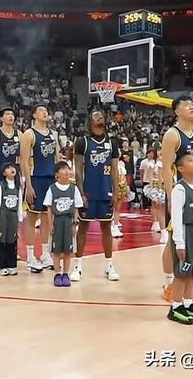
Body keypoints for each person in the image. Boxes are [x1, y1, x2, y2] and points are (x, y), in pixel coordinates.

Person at [160, 95, 193, 302]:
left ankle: (187, 284)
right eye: (187, 105)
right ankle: (169, 283)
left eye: (192, 105)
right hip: (179, 192)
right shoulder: (172, 135)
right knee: (174, 239)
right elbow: (166, 168)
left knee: (192, 238)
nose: (191, 107)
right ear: (176, 112)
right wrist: (171, 197)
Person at [72, 109, 120, 282]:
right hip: (88, 192)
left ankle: (109, 265)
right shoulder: (82, 142)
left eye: (101, 114)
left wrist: (116, 192)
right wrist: (80, 193)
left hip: (106, 191)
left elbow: (114, 170)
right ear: (90, 121)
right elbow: (78, 169)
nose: (100, 116)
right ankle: (78, 265)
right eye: (96, 115)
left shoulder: (112, 143)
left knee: (106, 228)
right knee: (83, 228)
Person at [167, 153, 193, 325]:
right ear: (181, 169)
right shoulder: (179, 189)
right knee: (182, 272)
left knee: (191, 272)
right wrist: (179, 243)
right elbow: (176, 217)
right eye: (190, 161)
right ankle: (176, 307)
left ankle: (188, 303)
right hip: (185, 232)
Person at [21, 104, 59, 273]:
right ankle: (30, 256)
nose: (45, 112)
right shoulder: (29, 134)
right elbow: (24, 161)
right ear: (34, 115)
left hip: (51, 179)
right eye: (41, 110)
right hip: (36, 179)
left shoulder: (53, 134)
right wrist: (28, 185)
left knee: (46, 218)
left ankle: (44, 254)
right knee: (31, 217)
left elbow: (57, 158)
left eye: (46, 110)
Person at [0, 107, 21, 253]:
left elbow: (22, 158)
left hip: (14, 175)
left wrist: (22, 177)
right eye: (7, 114)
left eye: (12, 114)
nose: (10, 116)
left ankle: (11, 243)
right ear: (1, 118)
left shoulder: (19, 134)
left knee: (13, 208)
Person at [45, 161, 83, 286]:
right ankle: (57, 274)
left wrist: (75, 224)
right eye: (63, 169)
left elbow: (76, 208)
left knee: (68, 250)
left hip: (68, 221)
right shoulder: (52, 188)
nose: (67, 171)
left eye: (68, 168)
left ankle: (66, 273)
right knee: (56, 250)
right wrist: (50, 224)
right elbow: (49, 208)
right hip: (57, 221)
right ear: (57, 174)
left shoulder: (74, 189)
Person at [0, 163, 23, 276]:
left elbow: (19, 203)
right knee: (1, 241)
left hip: (13, 216)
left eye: (12, 167)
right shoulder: (1, 186)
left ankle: (11, 265)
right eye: (8, 169)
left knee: (12, 241)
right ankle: (1, 266)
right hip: (3, 215)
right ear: (4, 173)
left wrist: (20, 217)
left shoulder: (18, 186)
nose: (12, 169)